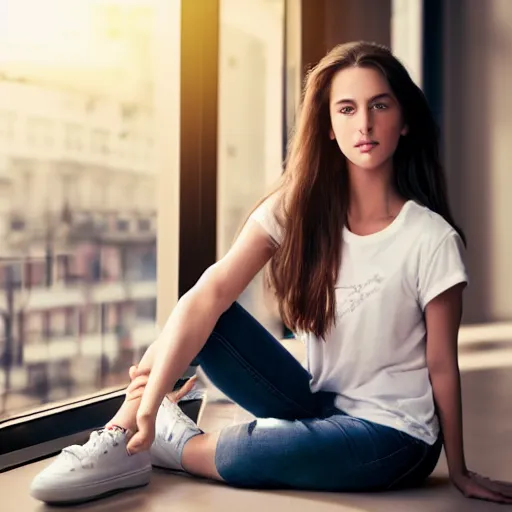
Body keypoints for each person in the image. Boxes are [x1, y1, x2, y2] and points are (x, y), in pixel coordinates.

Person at [30, 41, 512, 505]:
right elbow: (208, 294)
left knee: (244, 451)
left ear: (404, 120)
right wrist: (150, 401)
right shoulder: (298, 209)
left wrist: (460, 469)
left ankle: (165, 444)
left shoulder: (431, 239)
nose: (364, 123)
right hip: (321, 403)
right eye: (346, 109)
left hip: (395, 437)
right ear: (327, 125)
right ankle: (125, 432)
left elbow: (442, 366)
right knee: (206, 307)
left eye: (379, 106)